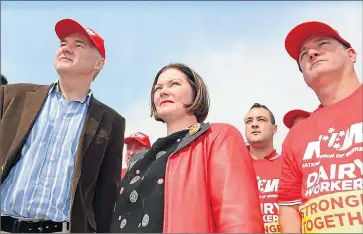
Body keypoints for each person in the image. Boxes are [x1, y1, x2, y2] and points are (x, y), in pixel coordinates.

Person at [0, 18, 125, 233]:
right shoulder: (12, 96)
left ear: (98, 63)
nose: (66, 48)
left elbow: (106, 197)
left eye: (78, 45)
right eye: (63, 44)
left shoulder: (111, 122)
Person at [111, 63, 264, 233]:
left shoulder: (218, 137)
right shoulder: (140, 160)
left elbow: (238, 219)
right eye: (157, 88)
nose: (163, 91)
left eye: (174, 84)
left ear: (195, 92)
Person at [278, 21, 363, 233]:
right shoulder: (296, 135)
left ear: (351, 54)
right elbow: (289, 207)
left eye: (322, 44)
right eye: (303, 54)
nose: (312, 54)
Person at [244, 103, 283, 233]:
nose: (254, 124)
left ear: (274, 129)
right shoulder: (232, 168)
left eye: (261, 120)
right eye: (249, 121)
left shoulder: (289, 165)